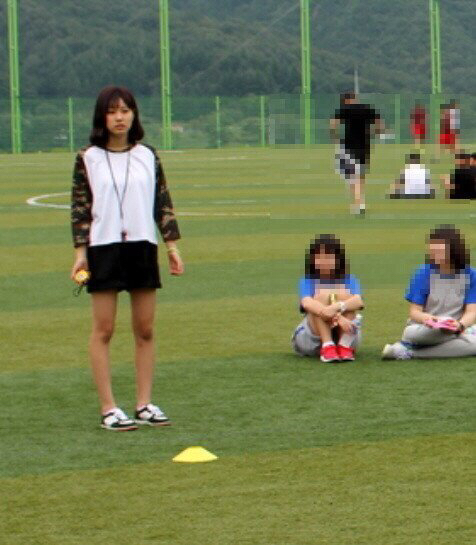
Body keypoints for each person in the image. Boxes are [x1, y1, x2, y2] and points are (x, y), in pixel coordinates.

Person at [71, 86, 184, 431]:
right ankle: (109, 408)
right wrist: (80, 254)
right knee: (104, 329)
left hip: (142, 246)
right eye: (112, 111)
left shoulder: (148, 155)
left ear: (134, 114)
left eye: (125, 110)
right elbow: (80, 209)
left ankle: (144, 404)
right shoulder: (87, 157)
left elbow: (162, 202)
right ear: (102, 117)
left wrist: (172, 247)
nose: (119, 117)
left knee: (145, 329)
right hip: (102, 248)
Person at [382, 225, 476, 360]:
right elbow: (415, 312)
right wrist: (429, 319)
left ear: (453, 249)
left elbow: (471, 312)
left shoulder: (471, 275)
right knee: (412, 334)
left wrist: (460, 325)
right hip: (425, 329)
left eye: (439, 248)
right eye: (432, 247)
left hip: (455, 326)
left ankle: (407, 352)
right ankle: (465, 334)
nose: (434, 251)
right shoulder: (424, 273)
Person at [292, 234, 364, 362]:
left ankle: (344, 347)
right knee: (320, 297)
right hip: (312, 340)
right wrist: (338, 318)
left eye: (328, 257)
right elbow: (306, 303)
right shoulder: (308, 281)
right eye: (319, 257)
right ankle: (327, 345)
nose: (323, 261)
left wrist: (338, 307)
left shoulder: (349, 280)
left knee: (347, 297)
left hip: (345, 337)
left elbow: (358, 302)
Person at [330, 92, 384, 215]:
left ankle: (359, 203)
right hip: (364, 147)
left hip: (349, 148)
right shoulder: (366, 108)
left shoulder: (344, 109)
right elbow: (379, 122)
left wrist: (335, 136)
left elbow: (333, 124)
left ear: (345, 101)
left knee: (352, 177)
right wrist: (377, 132)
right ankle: (360, 201)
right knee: (361, 176)